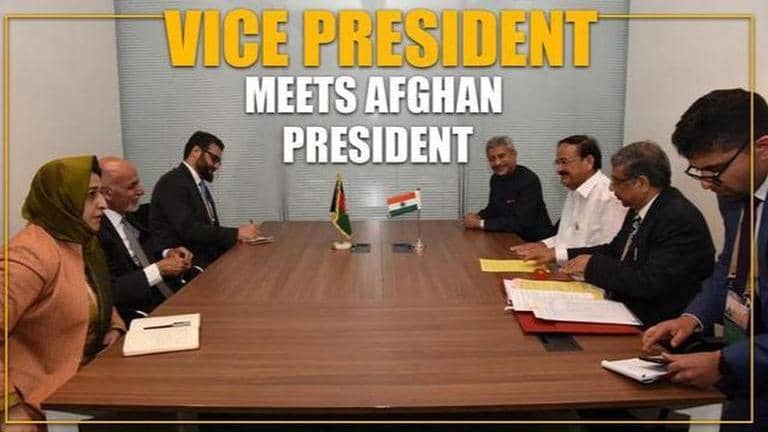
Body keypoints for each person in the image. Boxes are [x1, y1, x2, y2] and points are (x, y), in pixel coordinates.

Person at [641, 89, 767, 429]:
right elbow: (730, 266)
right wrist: (692, 318)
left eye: (714, 170)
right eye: (699, 172)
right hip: (746, 372)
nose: (707, 185)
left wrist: (725, 363)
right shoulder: (735, 194)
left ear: (763, 148)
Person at [0, 156, 125, 428]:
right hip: (41, 401)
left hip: (86, 383)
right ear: (62, 198)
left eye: (102, 193)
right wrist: (10, 409)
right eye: (91, 195)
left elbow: (94, 294)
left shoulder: (79, 240)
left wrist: (114, 327)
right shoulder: (28, 255)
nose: (103, 204)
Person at [562, 141, 715, 326]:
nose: (611, 188)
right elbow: (615, 251)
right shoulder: (640, 208)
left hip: (660, 327)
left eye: (616, 181)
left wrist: (592, 265)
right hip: (627, 312)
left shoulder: (677, 217)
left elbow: (650, 282)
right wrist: (565, 256)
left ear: (642, 183)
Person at [98, 157, 193, 323]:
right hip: (141, 314)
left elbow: (146, 250)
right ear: (107, 194)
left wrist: (167, 253)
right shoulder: (97, 231)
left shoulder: (130, 217)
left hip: (167, 299)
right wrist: (159, 269)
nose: (141, 191)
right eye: (132, 186)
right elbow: (110, 290)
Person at [150, 131, 260, 268]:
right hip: (188, 265)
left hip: (208, 260)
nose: (216, 166)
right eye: (214, 159)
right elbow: (189, 229)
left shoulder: (198, 184)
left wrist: (239, 237)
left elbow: (209, 229)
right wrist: (236, 233)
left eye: (219, 162)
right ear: (196, 151)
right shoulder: (173, 182)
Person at [510, 135, 627, 265]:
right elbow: (566, 239)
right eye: (557, 163)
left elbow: (609, 252)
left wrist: (555, 254)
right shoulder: (574, 190)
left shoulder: (609, 196)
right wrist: (543, 245)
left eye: (564, 162)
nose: (559, 169)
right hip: (565, 270)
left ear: (589, 162)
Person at [464, 136, 556, 241]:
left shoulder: (529, 180)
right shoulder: (495, 179)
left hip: (536, 241)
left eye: (501, 156)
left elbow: (521, 222)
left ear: (514, 155)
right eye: (492, 159)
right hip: (509, 237)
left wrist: (480, 223)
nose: (497, 163)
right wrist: (477, 216)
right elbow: (494, 209)